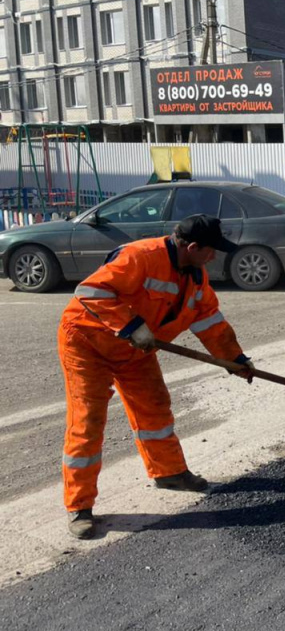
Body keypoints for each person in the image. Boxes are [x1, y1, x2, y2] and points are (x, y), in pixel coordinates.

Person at [59, 214, 255, 539]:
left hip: (136, 350)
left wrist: (234, 359)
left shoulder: (195, 277)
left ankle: (170, 473)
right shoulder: (140, 257)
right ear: (192, 247)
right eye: (210, 251)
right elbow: (90, 291)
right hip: (87, 342)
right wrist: (131, 325)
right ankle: (79, 506)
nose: (214, 256)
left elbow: (209, 320)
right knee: (87, 421)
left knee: (155, 408)